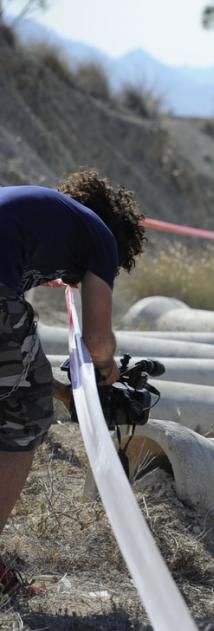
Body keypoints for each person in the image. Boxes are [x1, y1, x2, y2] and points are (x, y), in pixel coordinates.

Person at [0, 170, 147, 597]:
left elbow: (16, 363)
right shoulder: (98, 234)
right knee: (23, 418)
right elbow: (98, 340)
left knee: (23, 387)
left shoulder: (38, 214)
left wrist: (64, 391)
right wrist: (107, 366)